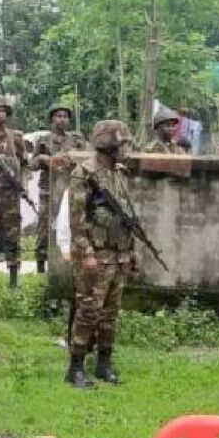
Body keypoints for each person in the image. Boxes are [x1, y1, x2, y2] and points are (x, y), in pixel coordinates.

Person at [65, 120, 138, 389]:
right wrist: (87, 254)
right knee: (88, 311)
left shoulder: (119, 172)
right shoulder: (83, 173)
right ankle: (75, 368)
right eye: (122, 144)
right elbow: (77, 219)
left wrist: (132, 251)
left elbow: (128, 216)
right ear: (107, 146)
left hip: (118, 253)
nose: (126, 149)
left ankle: (104, 364)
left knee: (110, 313)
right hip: (95, 253)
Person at [32, 104, 87, 274]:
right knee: (45, 227)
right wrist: (44, 158)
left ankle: (70, 264)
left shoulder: (77, 139)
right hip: (49, 190)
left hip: (72, 189)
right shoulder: (44, 140)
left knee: (73, 225)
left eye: (65, 116)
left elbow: (88, 159)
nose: (62, 119)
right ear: (52, 119)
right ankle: (41, 266)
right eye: (58, 116)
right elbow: (32, 165)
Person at [0, 94, 27, 289]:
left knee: (12, 233)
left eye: (3, 111)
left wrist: (22, 183)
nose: (0, 114)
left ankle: (13, 277)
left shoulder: (15, 137)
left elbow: (24, 164)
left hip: (10, 193)